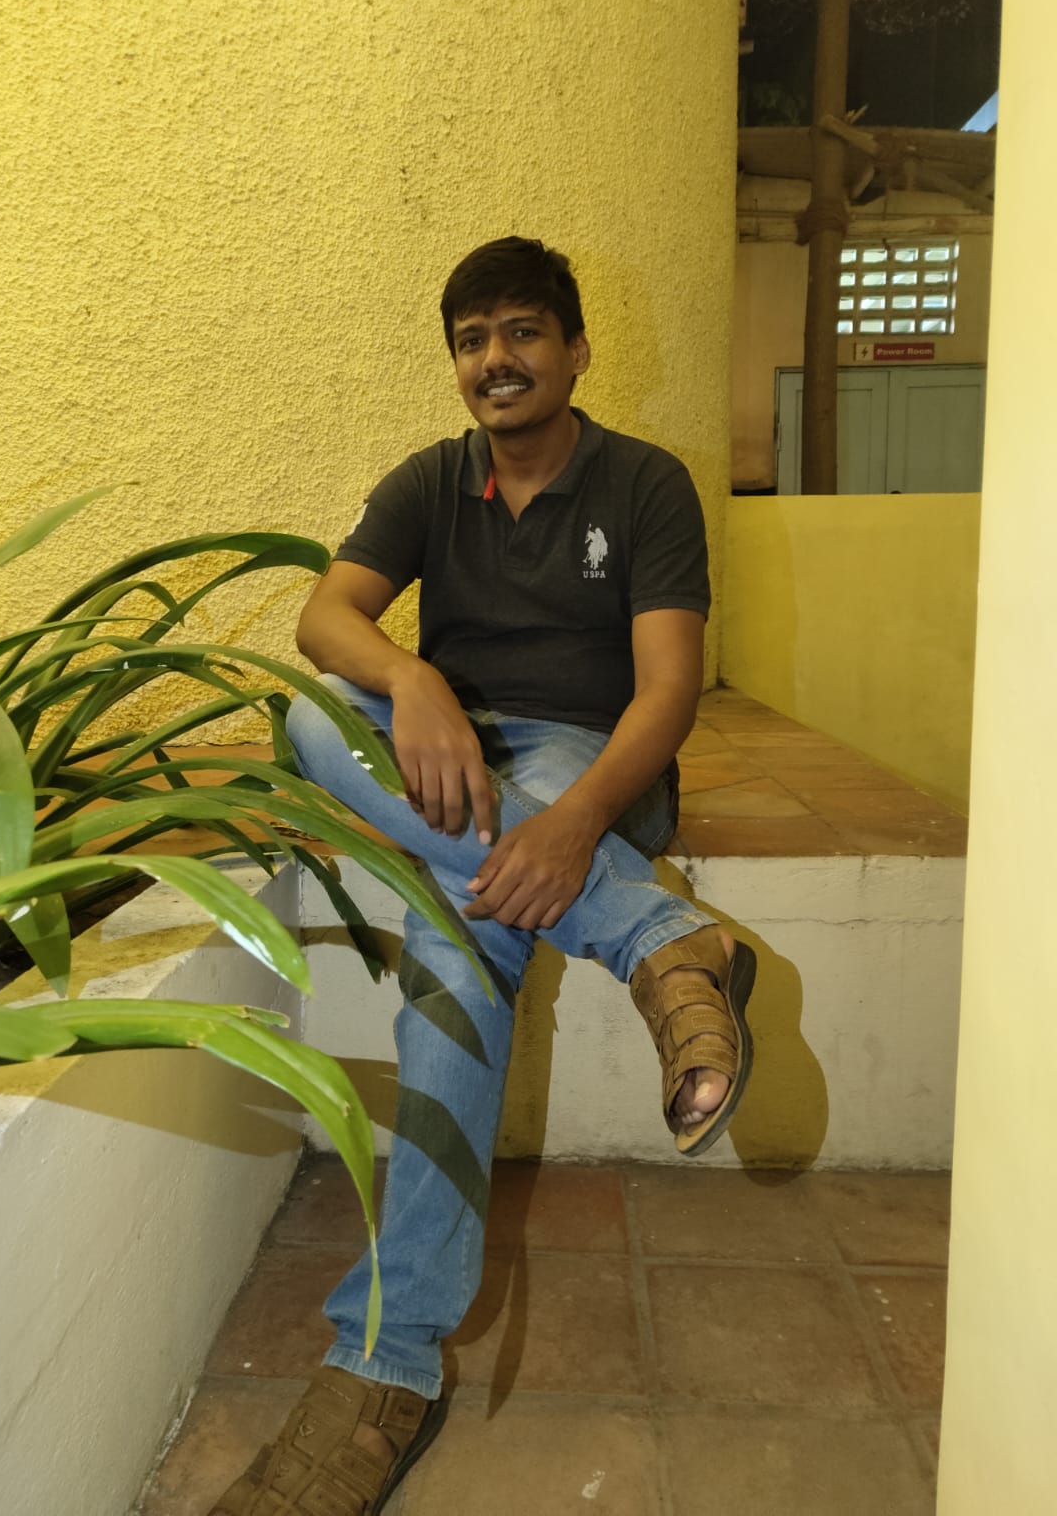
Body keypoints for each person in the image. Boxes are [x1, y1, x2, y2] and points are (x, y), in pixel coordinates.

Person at [209, 237, 756, 1516]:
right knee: (309, 717)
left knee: (456, 956)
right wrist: (412, 679)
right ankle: (664, 940)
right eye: (472, 339)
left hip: (590, 761)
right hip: (456, 763)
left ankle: (387, 1364)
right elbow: (324, 618)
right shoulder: (432, 480)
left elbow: (669, 691)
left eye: (522, 331)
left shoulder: (646, 482)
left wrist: (576, 823)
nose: (495, 359)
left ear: (575, 350)